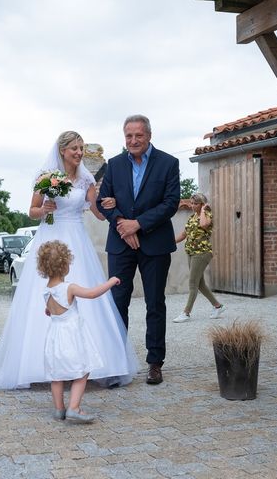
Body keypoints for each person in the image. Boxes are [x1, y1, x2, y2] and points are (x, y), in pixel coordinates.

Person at [0, 131, 138, 390]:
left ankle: (97, 364)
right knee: (44, 293)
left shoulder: (86, 180)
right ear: (62, 150)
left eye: (81, 148)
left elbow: (98, 213)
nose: (79, 153)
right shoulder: (47, 178)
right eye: (74, 148)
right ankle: (37, 365)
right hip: (51, 238)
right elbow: (32, 211)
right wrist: (45, 209)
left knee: (83, 294)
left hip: (77, 240)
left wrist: (107, 203)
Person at [97, 114, 180, 385]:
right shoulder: (114, 164)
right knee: (117, 302)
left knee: (155, 303)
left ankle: (155, 363)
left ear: (149, 136)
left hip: (155, 243)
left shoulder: (168, 163)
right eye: (128, 136)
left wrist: (139, 225)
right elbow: (103, 202)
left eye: (138, 136)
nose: (133, 141)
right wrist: (123, 224)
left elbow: (170, 203)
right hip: (120, 244)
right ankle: (116, 362)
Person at [38, 240, 121, 423]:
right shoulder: (69, 287)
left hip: (55, 338)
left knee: (56, 375)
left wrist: (50, 310)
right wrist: (110, 282)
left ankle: (59, 409)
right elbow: (92, 293)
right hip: (71, 337)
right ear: (65, 265)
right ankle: (74, 408)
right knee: (82, 371)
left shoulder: (47, 290)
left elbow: (50, 310)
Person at [173, 193, 225, 323]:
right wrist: (170, 242)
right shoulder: (191, 218)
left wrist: (203, 210)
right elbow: (184, 234)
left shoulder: (207, 216)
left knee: (192, 283)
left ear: (202, 204)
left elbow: (203, 225)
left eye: (195, 203)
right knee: (200, 283)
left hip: (202, 253)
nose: (192, 205)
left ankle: (186, 313)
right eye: (191, 203)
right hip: (191, 252)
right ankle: (218, 306)